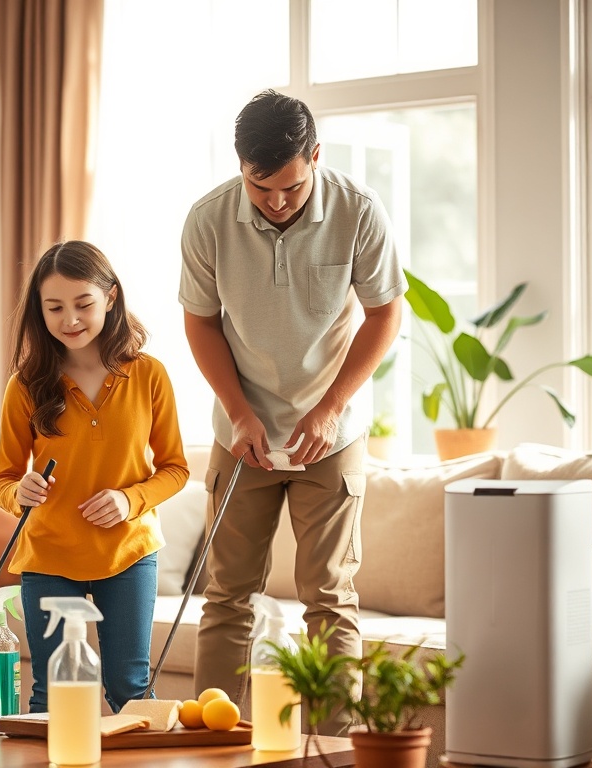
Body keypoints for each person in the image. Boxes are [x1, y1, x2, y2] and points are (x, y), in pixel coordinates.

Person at [178, 89, 406, 732]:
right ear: (241, 166)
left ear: (314, 157)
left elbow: (386, 313)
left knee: (330, 599)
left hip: (329, 435)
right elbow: (200, 323)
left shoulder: (359, 211)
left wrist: (331, 407)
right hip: (241, 430)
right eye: (261, 187)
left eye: (292, 187)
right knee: (226, 596)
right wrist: (239, 411)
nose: (277, 202)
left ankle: (334, 749)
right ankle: (209, 742)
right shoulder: (207, 220)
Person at [0, 239, 189, 714]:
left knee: (130, 689)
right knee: (51, 694)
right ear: (39, 312)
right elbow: (3, 479)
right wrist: (19, 491)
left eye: (83, 304)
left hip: (129, 552)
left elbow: (176, 468)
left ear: (111, 297)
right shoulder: (25, 385)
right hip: (49, 553)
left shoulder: (149, 375)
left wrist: (130, 500)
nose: (70, 319)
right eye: (54, 307)